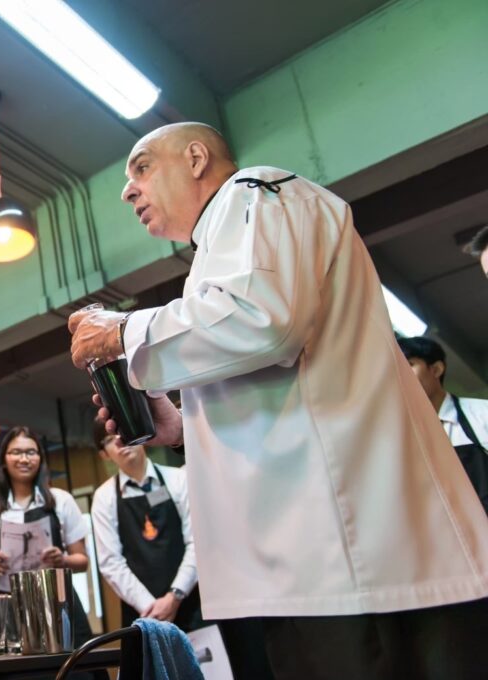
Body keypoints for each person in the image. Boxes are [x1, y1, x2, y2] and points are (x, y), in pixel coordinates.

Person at [69, 122, 488, 680]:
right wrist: (182, 427)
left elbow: (262, 320)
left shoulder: (257, 193)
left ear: (195, 158)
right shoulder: (220, 244)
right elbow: (274, 378)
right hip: (307, 563)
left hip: (349, 559)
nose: (128, 190)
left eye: (142, 167)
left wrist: (123, 330)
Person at [0, 426, 93, 644]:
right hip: (10, 608)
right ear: (4, 459)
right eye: (16, 452)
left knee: (73, 662)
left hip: (59, 604)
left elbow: (82, 561)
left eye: (31, 452)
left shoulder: (61, 500)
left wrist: (63, 560)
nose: (24, 459)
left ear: (40, 458)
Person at [89, 422, 201, 633]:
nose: (120, 442)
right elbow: (111, 563)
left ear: (141, 436)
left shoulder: (178, 479)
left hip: (189, 602)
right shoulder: (104, 498)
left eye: (123, 432)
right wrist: (151, 608)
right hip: (143, 614)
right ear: (104, 454)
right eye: (110, 439)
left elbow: (197, 542)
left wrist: (175, 596)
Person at [398, 336, 488, 514]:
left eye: (408, 365)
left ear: (436, 369)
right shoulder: (400, 437)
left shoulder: (482, 413)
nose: (400, 376)